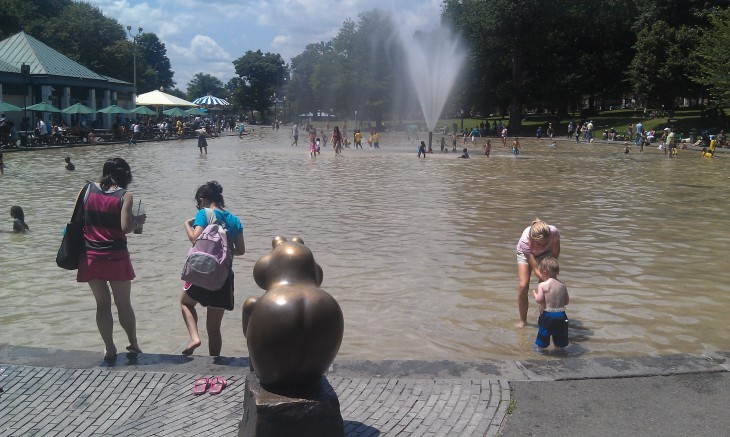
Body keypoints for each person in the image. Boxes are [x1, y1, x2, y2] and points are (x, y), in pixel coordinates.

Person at [77, 157, 145, 360]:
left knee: (102, 304)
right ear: (126, 176)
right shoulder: (125, 195)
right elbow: (125, 228)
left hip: (91, 255)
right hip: (116, 256)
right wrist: (137, 222)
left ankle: (109, 348)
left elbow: (76, 220)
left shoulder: (86, 190)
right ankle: (133, 344)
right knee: (123, 303)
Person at [181, 181, 245, 356]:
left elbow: (195, 238)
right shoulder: (235, 220)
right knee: (214, 329)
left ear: (202, 199)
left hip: (202, 271)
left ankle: (194, 338)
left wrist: (187, 224)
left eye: (198, 203)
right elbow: (240, 250)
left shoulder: (204, 213)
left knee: (186, 303)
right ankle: (213, 365)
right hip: (223, 277)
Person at [515, 218, 561, 328]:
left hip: (547, 254)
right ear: (531, 239)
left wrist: (550, 276)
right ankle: (523, 321)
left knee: (546, 285)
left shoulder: (553, 231)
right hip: (526, 253)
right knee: (523, 286)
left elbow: (555, 253)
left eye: (545, 243)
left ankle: (544, 319)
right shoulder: (525, 241)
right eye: (539, 244)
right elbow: (536, 270)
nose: (542, 246)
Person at [532, 256, 569, 351]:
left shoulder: (543, 285)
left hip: (548, 315)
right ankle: (559, 350)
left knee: (543, 335)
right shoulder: (562, 286)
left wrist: (535, 295)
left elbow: (539, 300)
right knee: (560, 336)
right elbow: (566, 302)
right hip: (561, 315)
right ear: (557, 272)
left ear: (544, 272)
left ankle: (541, 350)